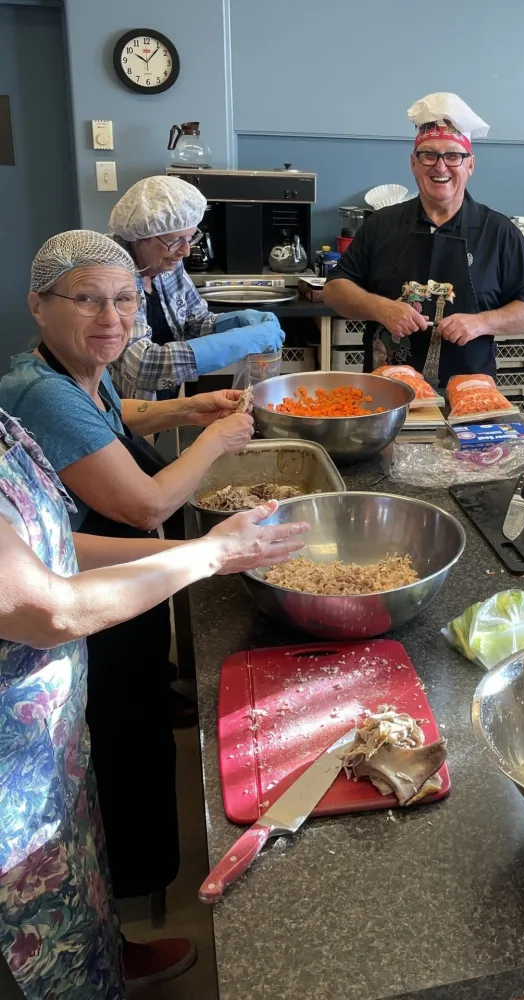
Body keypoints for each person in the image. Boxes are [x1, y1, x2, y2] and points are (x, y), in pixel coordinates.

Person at [0, 400, 307, 999]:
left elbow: (53, 548)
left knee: (72, 874)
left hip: (47, 739)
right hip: (9, 775)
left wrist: (197, 557)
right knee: (25, 934)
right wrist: (207, 556)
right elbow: (47, 608)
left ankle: (104, 962)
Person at [0, 231, 257, 912]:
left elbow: (110, 419)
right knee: (122, 746)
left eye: (123, 299)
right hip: (97, 616)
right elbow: (145, 507)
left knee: (136, 723)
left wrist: (184, 408)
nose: (111, 318)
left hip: (118, 597)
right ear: (38, 305)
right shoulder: (40, 394)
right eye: (87, 300)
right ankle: (135, 889)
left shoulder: (69, 369)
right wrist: (214, 441)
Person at [322, 92, 524, 387]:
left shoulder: (498, 231)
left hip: (470, 389)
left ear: (470, 164)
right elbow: (335, 290)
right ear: (414, 163)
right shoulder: (381, 225)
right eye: (429, 154)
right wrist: (381, 309)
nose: (440, 167)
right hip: (388, 391)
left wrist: (481, 323)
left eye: (453, 155)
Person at [107, 175, 286, 400]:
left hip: (161, 406)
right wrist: (241, 341)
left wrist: (232, 323)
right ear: (140, 237)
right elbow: (142, 366)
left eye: (190, 238)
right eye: (175, 241)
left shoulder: (167, 264)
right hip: (117, 412)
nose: (186, 251)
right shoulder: (110, 276)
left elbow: (194, 323)